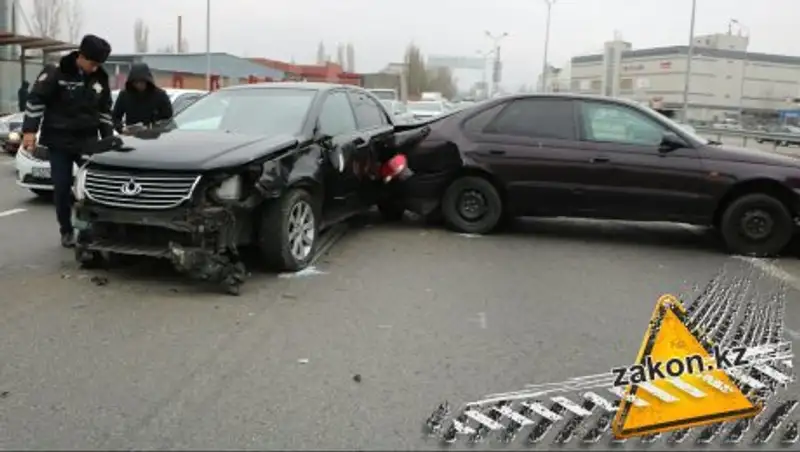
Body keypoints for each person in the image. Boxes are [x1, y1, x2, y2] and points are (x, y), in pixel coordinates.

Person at [21, 34, 114, 248]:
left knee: (92, 187)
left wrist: (108, 140)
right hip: (59, 140)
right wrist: (29, 131)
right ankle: (66, 229)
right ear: (80, 56)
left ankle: (90, 229)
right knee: (62, 187)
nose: (94, 68)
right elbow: (36, 101)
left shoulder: (100, 77)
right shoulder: (56, 72)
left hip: (87, 141)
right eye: (92, 63)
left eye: (98, 64)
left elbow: (104, 111)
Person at [112, 63, 172, 134]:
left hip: (154, 136)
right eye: (136, 82)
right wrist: (121, 129)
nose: (139, 85)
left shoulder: (160, 95)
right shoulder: (124, 95)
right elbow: (115, 117)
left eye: (142, 82)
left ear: (147, 81)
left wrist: (153, 127)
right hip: (132, 136)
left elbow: (168, 117)